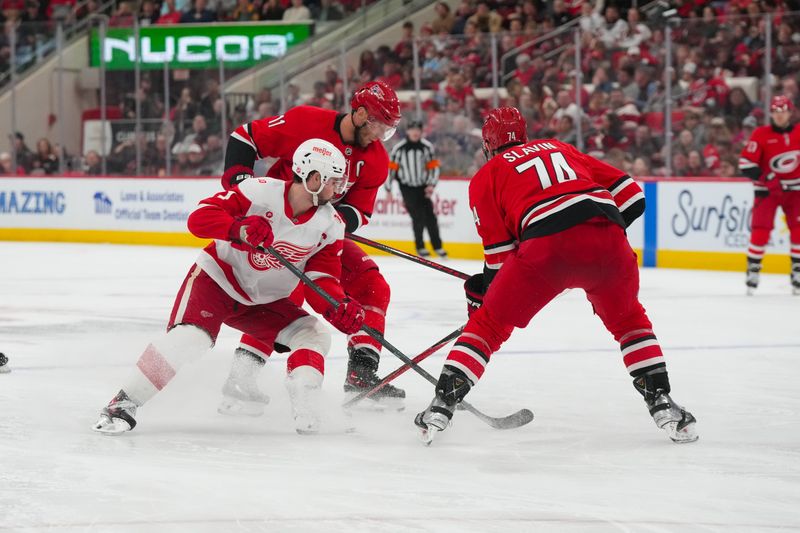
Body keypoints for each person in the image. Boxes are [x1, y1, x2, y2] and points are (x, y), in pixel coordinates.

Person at [414, 107, 698, 445]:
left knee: (488, 326)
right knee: (630, 323)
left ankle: (441, 405)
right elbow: (634, 197)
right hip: (609, 240)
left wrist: (488, 296)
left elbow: (500, 258)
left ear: (487, 145)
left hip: (546, 252)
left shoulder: (486, 176)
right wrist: (591, 240)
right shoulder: (560, 148)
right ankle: (663, 404)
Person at [92, 139, 366, 435]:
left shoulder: (330, 225)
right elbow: (198, 219)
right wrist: (240, 229)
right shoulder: (260, 191)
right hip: (217, 280)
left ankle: (307, 407)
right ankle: (122, 404)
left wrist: (336, 305)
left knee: (313, 335)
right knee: (190, 339)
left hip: (264, 301)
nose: (339, 189)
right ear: (313, 178)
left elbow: (321, 279)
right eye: (334, 181)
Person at [217, 80, 405, 415]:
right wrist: (239, 182)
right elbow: (246, 136)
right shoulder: (306, 121)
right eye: (377, 124)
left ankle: (362, 374)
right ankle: (241, 379)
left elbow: (359, 211)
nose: (379, 135)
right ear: (359, 113)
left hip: (321, 239)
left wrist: (329, 220)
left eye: (387, 129)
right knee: (284, 297)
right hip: (276, 228)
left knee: (372, 286)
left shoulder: (375, 160)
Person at [738, 95, 800, 295]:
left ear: (790, 112)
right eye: (775, 112)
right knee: (760, 231)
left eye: (782, 112)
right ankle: (753, 270)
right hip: (767, 191)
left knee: (799, 231)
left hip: (796, 191)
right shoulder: (761, 134)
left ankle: (797, 272)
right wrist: (767, 177)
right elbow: (745, 164)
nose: (779, 116)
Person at [386, 119, 446, 257]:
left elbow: (433, 167)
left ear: (421, 132)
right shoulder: (399, 149)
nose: (415, 132)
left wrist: (431, 184)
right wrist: (388, 190)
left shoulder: (427, 147)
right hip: (407, 188)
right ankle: (420, 247)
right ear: (407, 131)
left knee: (431, 217)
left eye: (417, 130)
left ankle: (437, 247)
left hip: (423, 187)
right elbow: (391, 170)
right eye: (412, 130)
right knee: (417, 217)